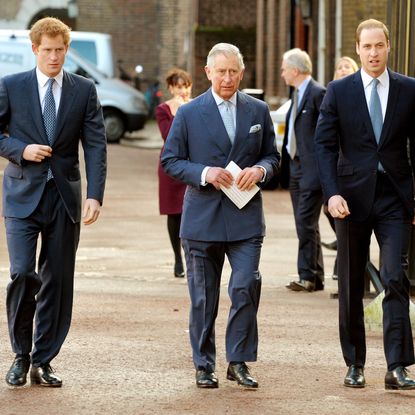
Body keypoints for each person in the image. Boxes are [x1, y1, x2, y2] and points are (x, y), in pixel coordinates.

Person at [161, 43, 279, 389]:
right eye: (221, 71)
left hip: (246, 217)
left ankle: (239, 361)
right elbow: (170, 161)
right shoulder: (188, 113)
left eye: (233, 72)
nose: (227, 78)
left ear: (242, 73)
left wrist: (260, 170)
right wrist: (204, 173)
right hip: (202, 219)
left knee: (245, 286)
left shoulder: (258, 111)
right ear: (208, 73)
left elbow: (273, 157)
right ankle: (204, 363)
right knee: (203, 297)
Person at [0, 17, 107, 387]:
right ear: (35, 49)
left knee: (58, 281)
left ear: (66, 50)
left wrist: (95, 194)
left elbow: (95, 143)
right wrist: (20, 149)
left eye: (60, 50)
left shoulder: (83, 89)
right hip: (21, 197)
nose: (54, 56)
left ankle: (43, 359)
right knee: (23, 274)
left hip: (64, 198)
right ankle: (20, 354)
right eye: (47, 49)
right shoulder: (11, 86)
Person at [315, 19, 415, 390]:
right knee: (353, 281)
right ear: (357, 49)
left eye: (379, 46)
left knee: (394, 277)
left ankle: (398, 366)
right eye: (366, 47)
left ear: (389, 46)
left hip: (395, 197)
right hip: (350, 200)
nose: (373, 53)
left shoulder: (409, 89)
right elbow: (323, 146)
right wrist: (332, 193)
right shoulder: (339, 91)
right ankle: (354, 363)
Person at [280, 48, 326, 292]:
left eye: (284, 68)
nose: (282, 73)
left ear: (295, 70)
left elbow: (328, 135)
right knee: (306, 223)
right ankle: (314, 276)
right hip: (296, 168)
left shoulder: (319, 94)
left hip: (312, 169)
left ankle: (307, 275)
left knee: (305, 222)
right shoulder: (297, 94)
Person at [321, 56, 359, 278]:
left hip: (357, 171)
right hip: (336, 168)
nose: (343, 69)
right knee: (335, 213)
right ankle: (342, 260)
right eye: (339, 67)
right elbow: (324, 139)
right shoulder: (332, 94)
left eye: (347, 66)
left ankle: (343, 265)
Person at [155, 68, 192, 278]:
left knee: (191, 211)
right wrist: (178, 112)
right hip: (170, 166)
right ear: (170, 88)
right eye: (178, 86)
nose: (182, 90)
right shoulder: (163, 109)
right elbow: (168, 136)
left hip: (191, 164)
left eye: (185, 85)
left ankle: (190, 256)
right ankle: (177, 258)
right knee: (174, 214)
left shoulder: (197, 106)